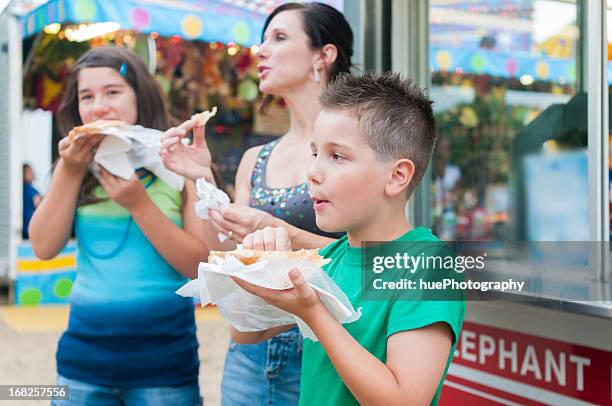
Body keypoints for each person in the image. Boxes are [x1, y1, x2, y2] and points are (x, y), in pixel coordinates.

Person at [231, 72, 466, 405]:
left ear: (397, 176)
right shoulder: (333, 257)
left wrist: (314, 313)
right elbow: (244, 332)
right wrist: (262, 267)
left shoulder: (428, 266)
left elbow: (404, 401)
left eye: (337, 156)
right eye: (314, 153)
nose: (312, 172)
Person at [160, 3, 354, 405]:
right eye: (262, 39)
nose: (260, 50)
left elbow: (370, 255)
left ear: (324, 55)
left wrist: (282, 232)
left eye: (279, 38)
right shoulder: (256, 158)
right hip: (247, 354)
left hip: (326, 351)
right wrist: (203, 179)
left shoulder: (354, 148)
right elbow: (231, 254)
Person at [28, 47, 206, 405]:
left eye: (113, 92)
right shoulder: (75, 168)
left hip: (165, 365)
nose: (99, 107)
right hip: (82, 362)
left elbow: (200, 266)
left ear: (139, 96)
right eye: (87, 97)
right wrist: (70, 169)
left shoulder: (179, 164)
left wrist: (139, 204)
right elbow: (43, 247)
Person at [22, 163, 42, 239]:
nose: (33, 173)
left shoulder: (19, 190)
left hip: (23, 229)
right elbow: (41, 207)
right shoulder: (32, 191)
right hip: (30, 229)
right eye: (30, 171)